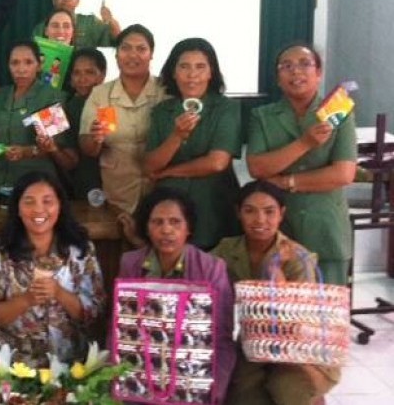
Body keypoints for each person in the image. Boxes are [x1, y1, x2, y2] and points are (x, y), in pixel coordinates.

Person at [212, 180, 339, 405]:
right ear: (238, 213)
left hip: (298, 348)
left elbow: (300, 322)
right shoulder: (227, 250)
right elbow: (199, 277)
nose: (260, 220)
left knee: (288, 392)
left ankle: (316, 396)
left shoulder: (300, 258)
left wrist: (276, 276)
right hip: (253, 342)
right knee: (241, 396)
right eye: (250, 211)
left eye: (269, 212)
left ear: (282, 214)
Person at [246, 44, 357, 286]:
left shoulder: (340, 112)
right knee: (280, 313)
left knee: (328, 315)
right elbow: (257, 168)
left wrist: (286, 181)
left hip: (326, 227)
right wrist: (305, 142)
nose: (296, 72)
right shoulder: (262, 116)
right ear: (277, 78)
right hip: (279, 228)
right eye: (287, 66)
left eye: (305, 64)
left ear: (319, 73)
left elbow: (343, 174)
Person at [0, 171, 106, 365]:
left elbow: (95, 313)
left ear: (60, 206)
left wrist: (59, 293)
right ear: (17, 209)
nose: (38, 209)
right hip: (15, 364)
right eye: (29, 201)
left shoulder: (80, 250)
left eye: (47, 201)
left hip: (71, 364)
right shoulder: (1, 251)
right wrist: (27, 299)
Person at [119, 187, 236, 401]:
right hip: (142, 371)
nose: (166, 230)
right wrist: (118, 381)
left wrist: (214, 390)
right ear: (146, 227)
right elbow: (120, 328)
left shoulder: (211, 269)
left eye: (175, 222)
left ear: (188, 228)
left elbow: (222, 337)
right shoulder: (131, 264)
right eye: (157, 222)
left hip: (193, 375)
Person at [144, 37, 241, 250]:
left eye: (200, 67)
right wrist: (176, 136)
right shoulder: (162, 111)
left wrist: (169, 172)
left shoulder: (226, 108)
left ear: (211, 72)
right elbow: (151, 164)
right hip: (169, 214)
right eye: (184, 67)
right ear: (173, 72)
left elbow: (217, 162)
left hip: (213, 207)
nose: (192, 75)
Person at [0, 41, 77, 202]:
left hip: (36, 186)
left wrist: (27, 151)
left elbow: (58, 148)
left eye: (28, 62)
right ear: (8, 66)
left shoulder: (51, 97)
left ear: (39, 65)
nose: (21, 69)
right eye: (15, 63)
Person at [79, 25, 166, 216]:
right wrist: (95, 138)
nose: (133, 55)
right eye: (126, 48)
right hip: (117, 195)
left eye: (141, 49)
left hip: (161, 194)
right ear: (117, 55)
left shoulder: (165, 91)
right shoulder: (100, 94)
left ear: (151, 54)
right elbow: (87, 147)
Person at [64, 48, 107, 199]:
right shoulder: (67, 107)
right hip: (79, 179)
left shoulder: (110, 102)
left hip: (111, 176)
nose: (82, 79)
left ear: (102, 75)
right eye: (77, 73)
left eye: (90, 72)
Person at [31, 0, 120, 48]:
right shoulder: (41, 28)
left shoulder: (91, 23)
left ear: (78, 1)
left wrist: (110, 20)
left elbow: (118, 42)